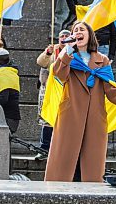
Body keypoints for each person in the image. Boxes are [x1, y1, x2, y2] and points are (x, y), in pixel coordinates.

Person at [44, 21, 116, 182]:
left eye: (82, 29)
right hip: (70, 115)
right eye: (75, 30)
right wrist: (68, 49)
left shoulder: (102, 60)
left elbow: (111, 88)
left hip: (94, 117)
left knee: (93, 165)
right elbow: (58, 73)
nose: (78, 32)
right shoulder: (68, 57)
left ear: (90, 35)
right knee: (62, 163)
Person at [35, 29, 70, 160]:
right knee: (47, 119)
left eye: (67, 36)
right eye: (62, 36)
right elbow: (40, 62)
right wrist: (47, 53)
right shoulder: (52, 49)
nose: (64, 38)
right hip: (50, 89)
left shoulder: (73, 51)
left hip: (65, 89)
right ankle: (44, 149)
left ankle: (61, 150)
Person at [0, 48, 21, 134]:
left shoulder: (1, 75)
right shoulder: (11, 73)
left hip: (4, 118)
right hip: (13, 117)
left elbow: (2, 99)